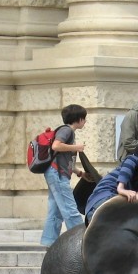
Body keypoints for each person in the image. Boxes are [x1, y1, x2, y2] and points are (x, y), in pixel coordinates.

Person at [40, 104, 91, 247]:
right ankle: (82, 240)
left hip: (56, 173)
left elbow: (65, 160)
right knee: (70, 208)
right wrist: (77, 147)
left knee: (55, 210)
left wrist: (80, 173)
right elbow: (56, 146)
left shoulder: (67, 131)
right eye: (84, 119)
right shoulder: (67, 130)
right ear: (79, 119)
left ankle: (49, 242)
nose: (85, 122)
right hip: (57, 174)